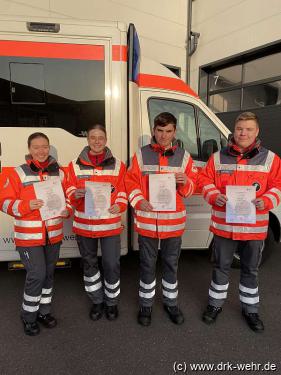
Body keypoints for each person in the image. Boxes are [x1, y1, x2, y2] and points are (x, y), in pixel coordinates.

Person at [198, 111, 281, 332]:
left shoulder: (271, 159)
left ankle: (251, 310)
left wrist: (266, 200)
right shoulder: (217, 157)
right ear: (234, 130)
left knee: (250, 270)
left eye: (248, 129)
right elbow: (204, 181)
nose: (243, 133)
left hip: (254, 229)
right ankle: (215, 305)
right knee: (221, 267)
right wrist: (214, 195)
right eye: (240, 128)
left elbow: (278, 187)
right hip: (224, 227)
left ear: (257, 132)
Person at [125, 112, 198, 326]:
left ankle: (171, 303)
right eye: (160, 131)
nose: (164, 136)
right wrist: (139, 201)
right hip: (148, 222)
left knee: (170, 264)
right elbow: (130, 182)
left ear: (174, 132)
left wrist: (185, 182)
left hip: (173, 224)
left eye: (168, 131)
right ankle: (146, 305)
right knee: (147, 264)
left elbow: (191, 189)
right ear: (154, 131)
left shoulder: (184, 157)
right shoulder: (140, 155)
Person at [0, 132, 72, 336]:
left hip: (53, 234)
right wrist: (25, 205)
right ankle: (28, 316)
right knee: (37, 275)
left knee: (48, 275)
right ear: (29, 150)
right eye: (36, 147)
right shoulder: (18, 173)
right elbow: (3, 201)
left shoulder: (60, 173)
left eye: (45, 147)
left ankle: (44, 312)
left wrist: (68, 209)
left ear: (49, 148)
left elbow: (68, 197)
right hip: (29, 237)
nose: (41, 151)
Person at [67, 124, 127, 321]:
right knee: (90, 264)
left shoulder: (118, 165)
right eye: (93, 137)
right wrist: (74, 194)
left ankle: (111, 302)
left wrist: (120, 205)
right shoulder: (73, 165)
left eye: (100, 137)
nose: (97, 141)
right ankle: (97, 301)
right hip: (85, 225)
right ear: (87, 139)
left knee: (111, 264)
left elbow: (123, 192)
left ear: (106, 139)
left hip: (109, 225)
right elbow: (67, 190)